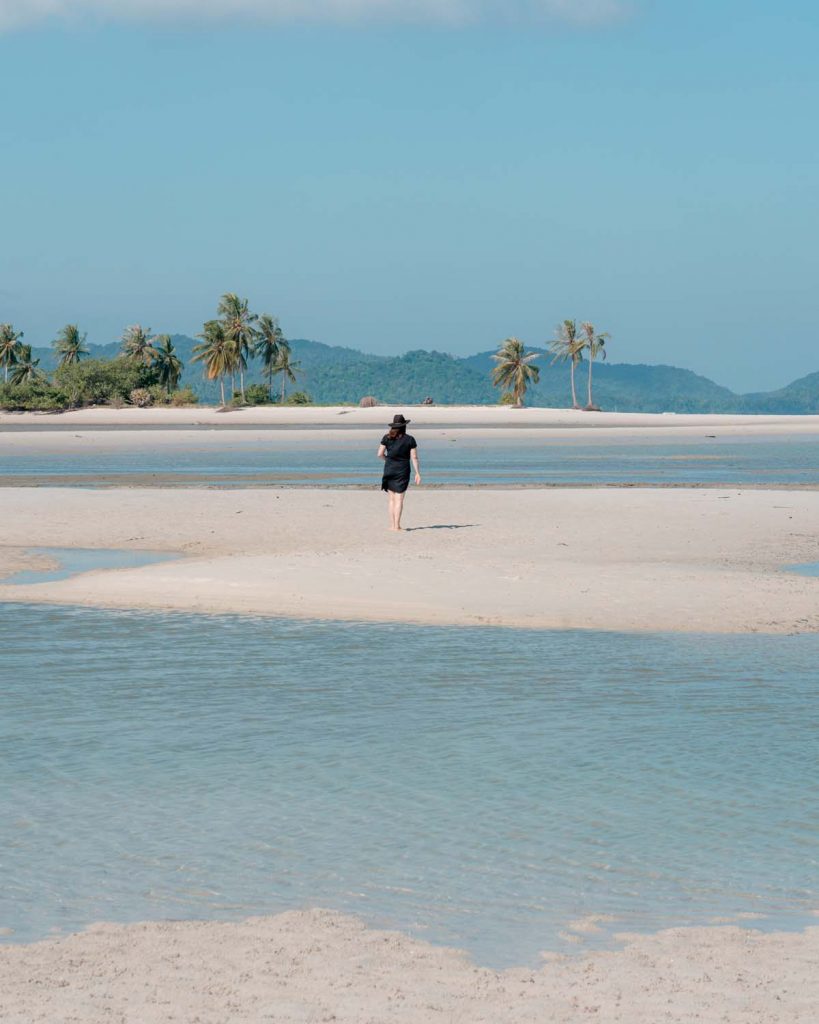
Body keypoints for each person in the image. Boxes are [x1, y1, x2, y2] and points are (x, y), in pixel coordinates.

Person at [378, 413, 421, 531]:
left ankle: (392, 525)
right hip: (402, 471)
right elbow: (414, 458)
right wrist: (417, 473)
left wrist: (388, 460)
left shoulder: (386, 437)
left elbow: (379, 454)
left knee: (391, 499)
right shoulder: (410, 439)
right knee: (399, 499)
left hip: (389, 469)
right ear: (404, 426)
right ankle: (397, 526)